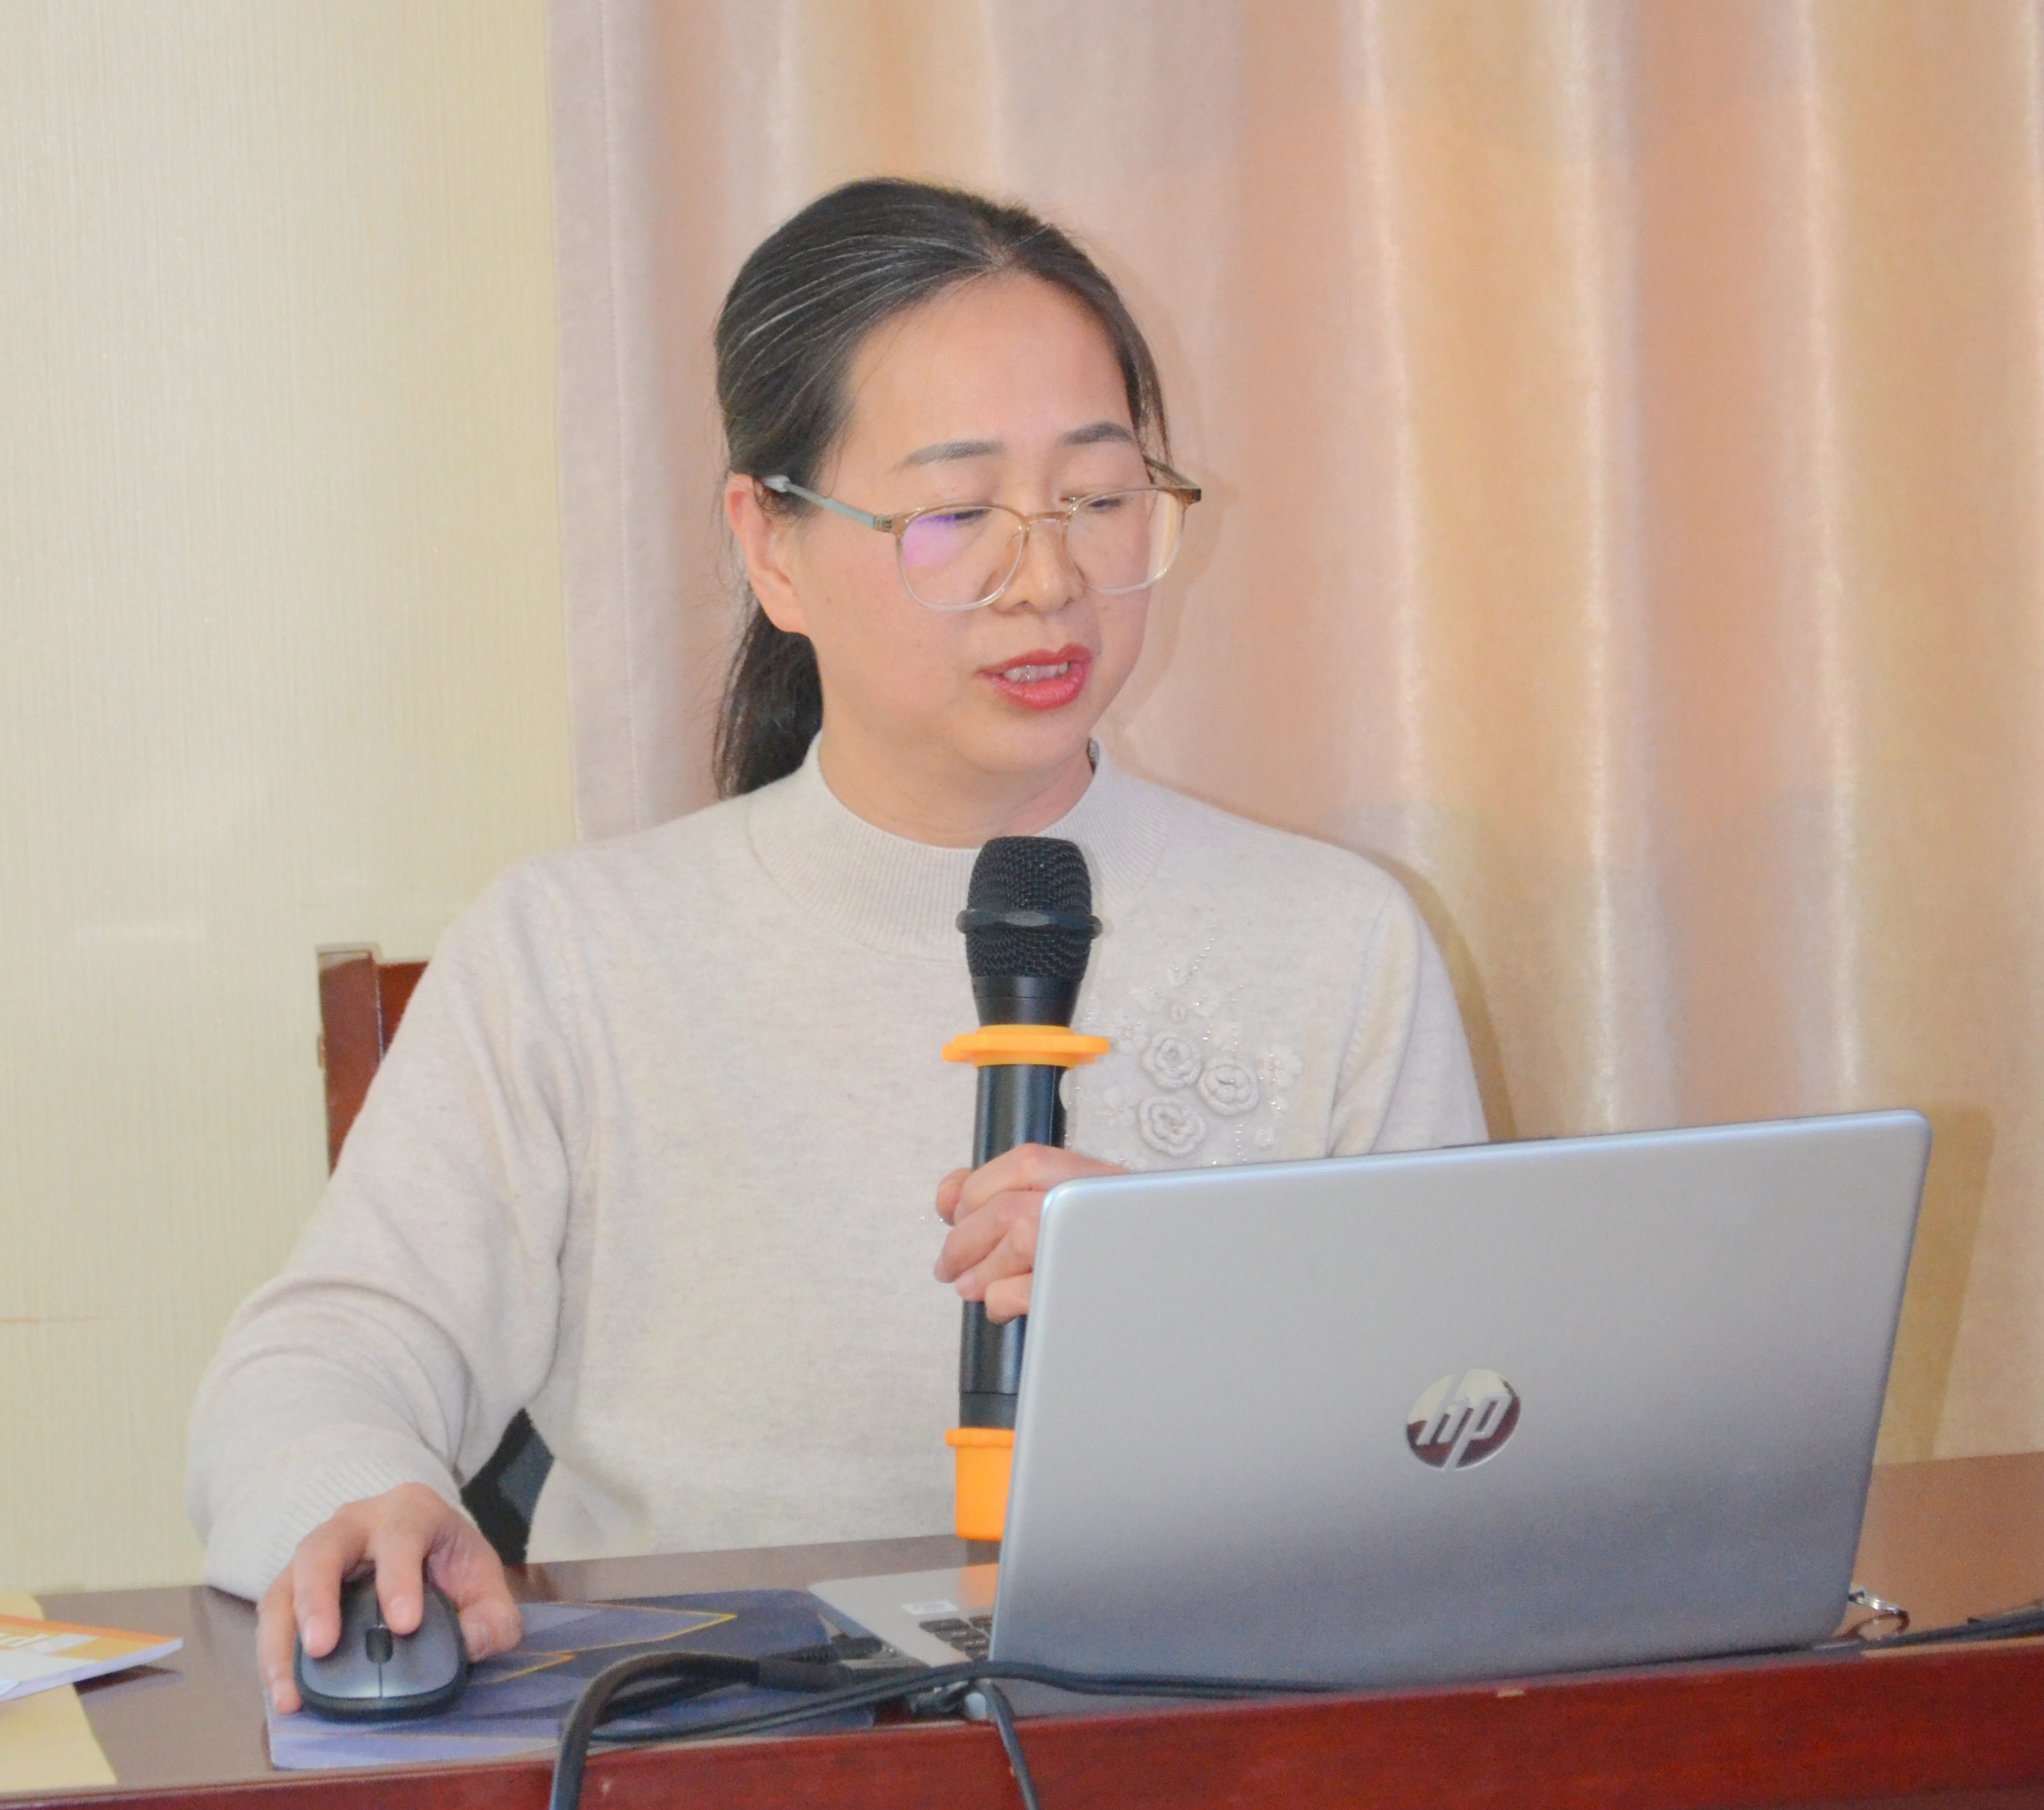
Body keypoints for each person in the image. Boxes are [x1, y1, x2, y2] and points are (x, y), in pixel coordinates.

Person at [186, 178, 1487, 1712]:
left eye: (1097, 495)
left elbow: (1469, 1430)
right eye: (956, 515)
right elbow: (328, 1352)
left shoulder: (1338, 942)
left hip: (1209, 1740)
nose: (1048, 577)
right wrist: (358, 1501)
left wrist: (1201, 1321)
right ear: (774, 546)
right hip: (712, 1744)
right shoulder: (573, 954)